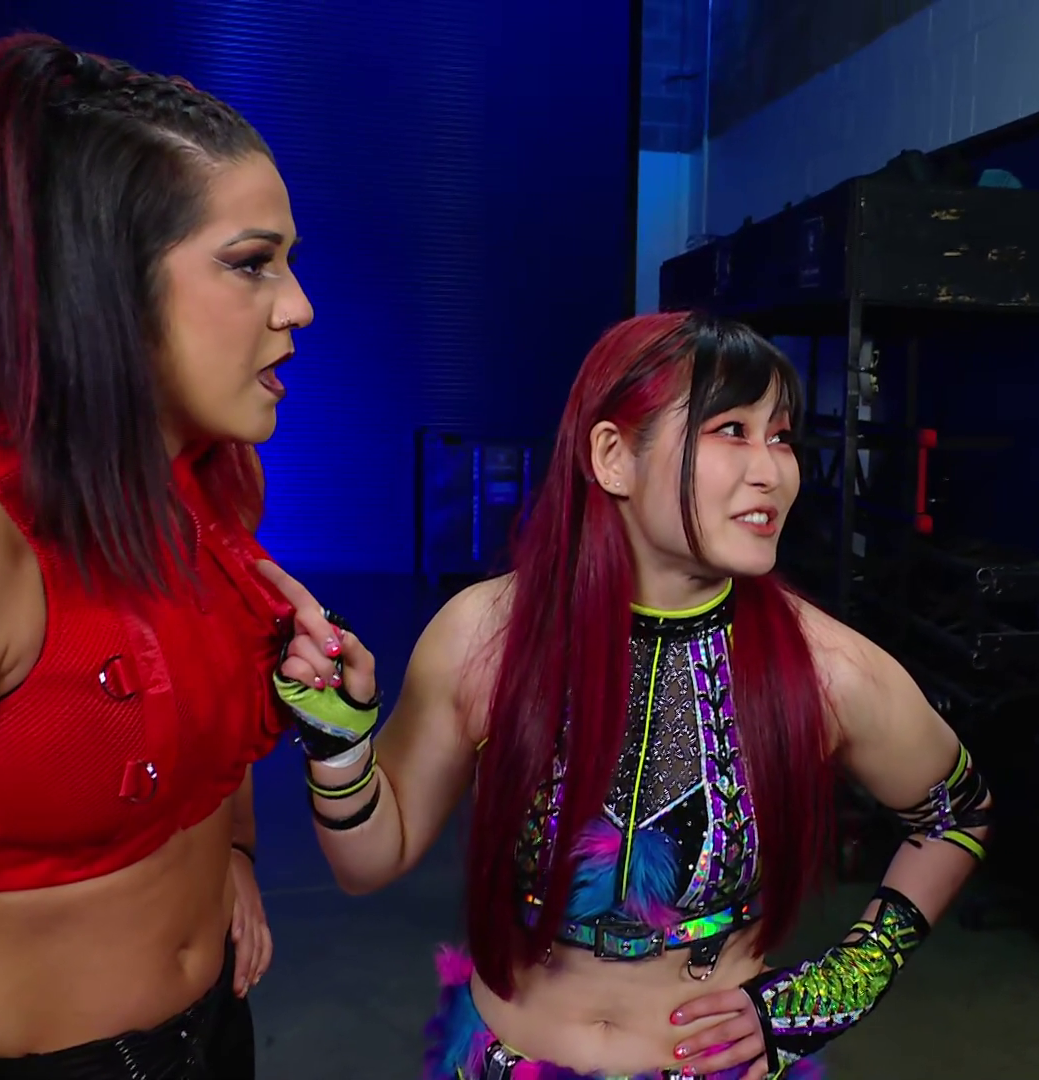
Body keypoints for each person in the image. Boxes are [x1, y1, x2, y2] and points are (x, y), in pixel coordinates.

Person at [0, 33, 374, 1079]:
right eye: (251, 263)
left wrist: (231, 853)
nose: (298, 305)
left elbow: (199, 744)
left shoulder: (208, 483)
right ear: (105, 282)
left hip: (216, 1027)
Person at [304, 311, 992, 1079]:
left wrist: (834, 990)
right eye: (731, 430)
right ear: (612, 457)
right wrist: (338, 743)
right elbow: (370, 860)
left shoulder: (826, 667)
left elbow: (958, 814)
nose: (773, 471)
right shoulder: (485, 635)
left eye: (780, 436)